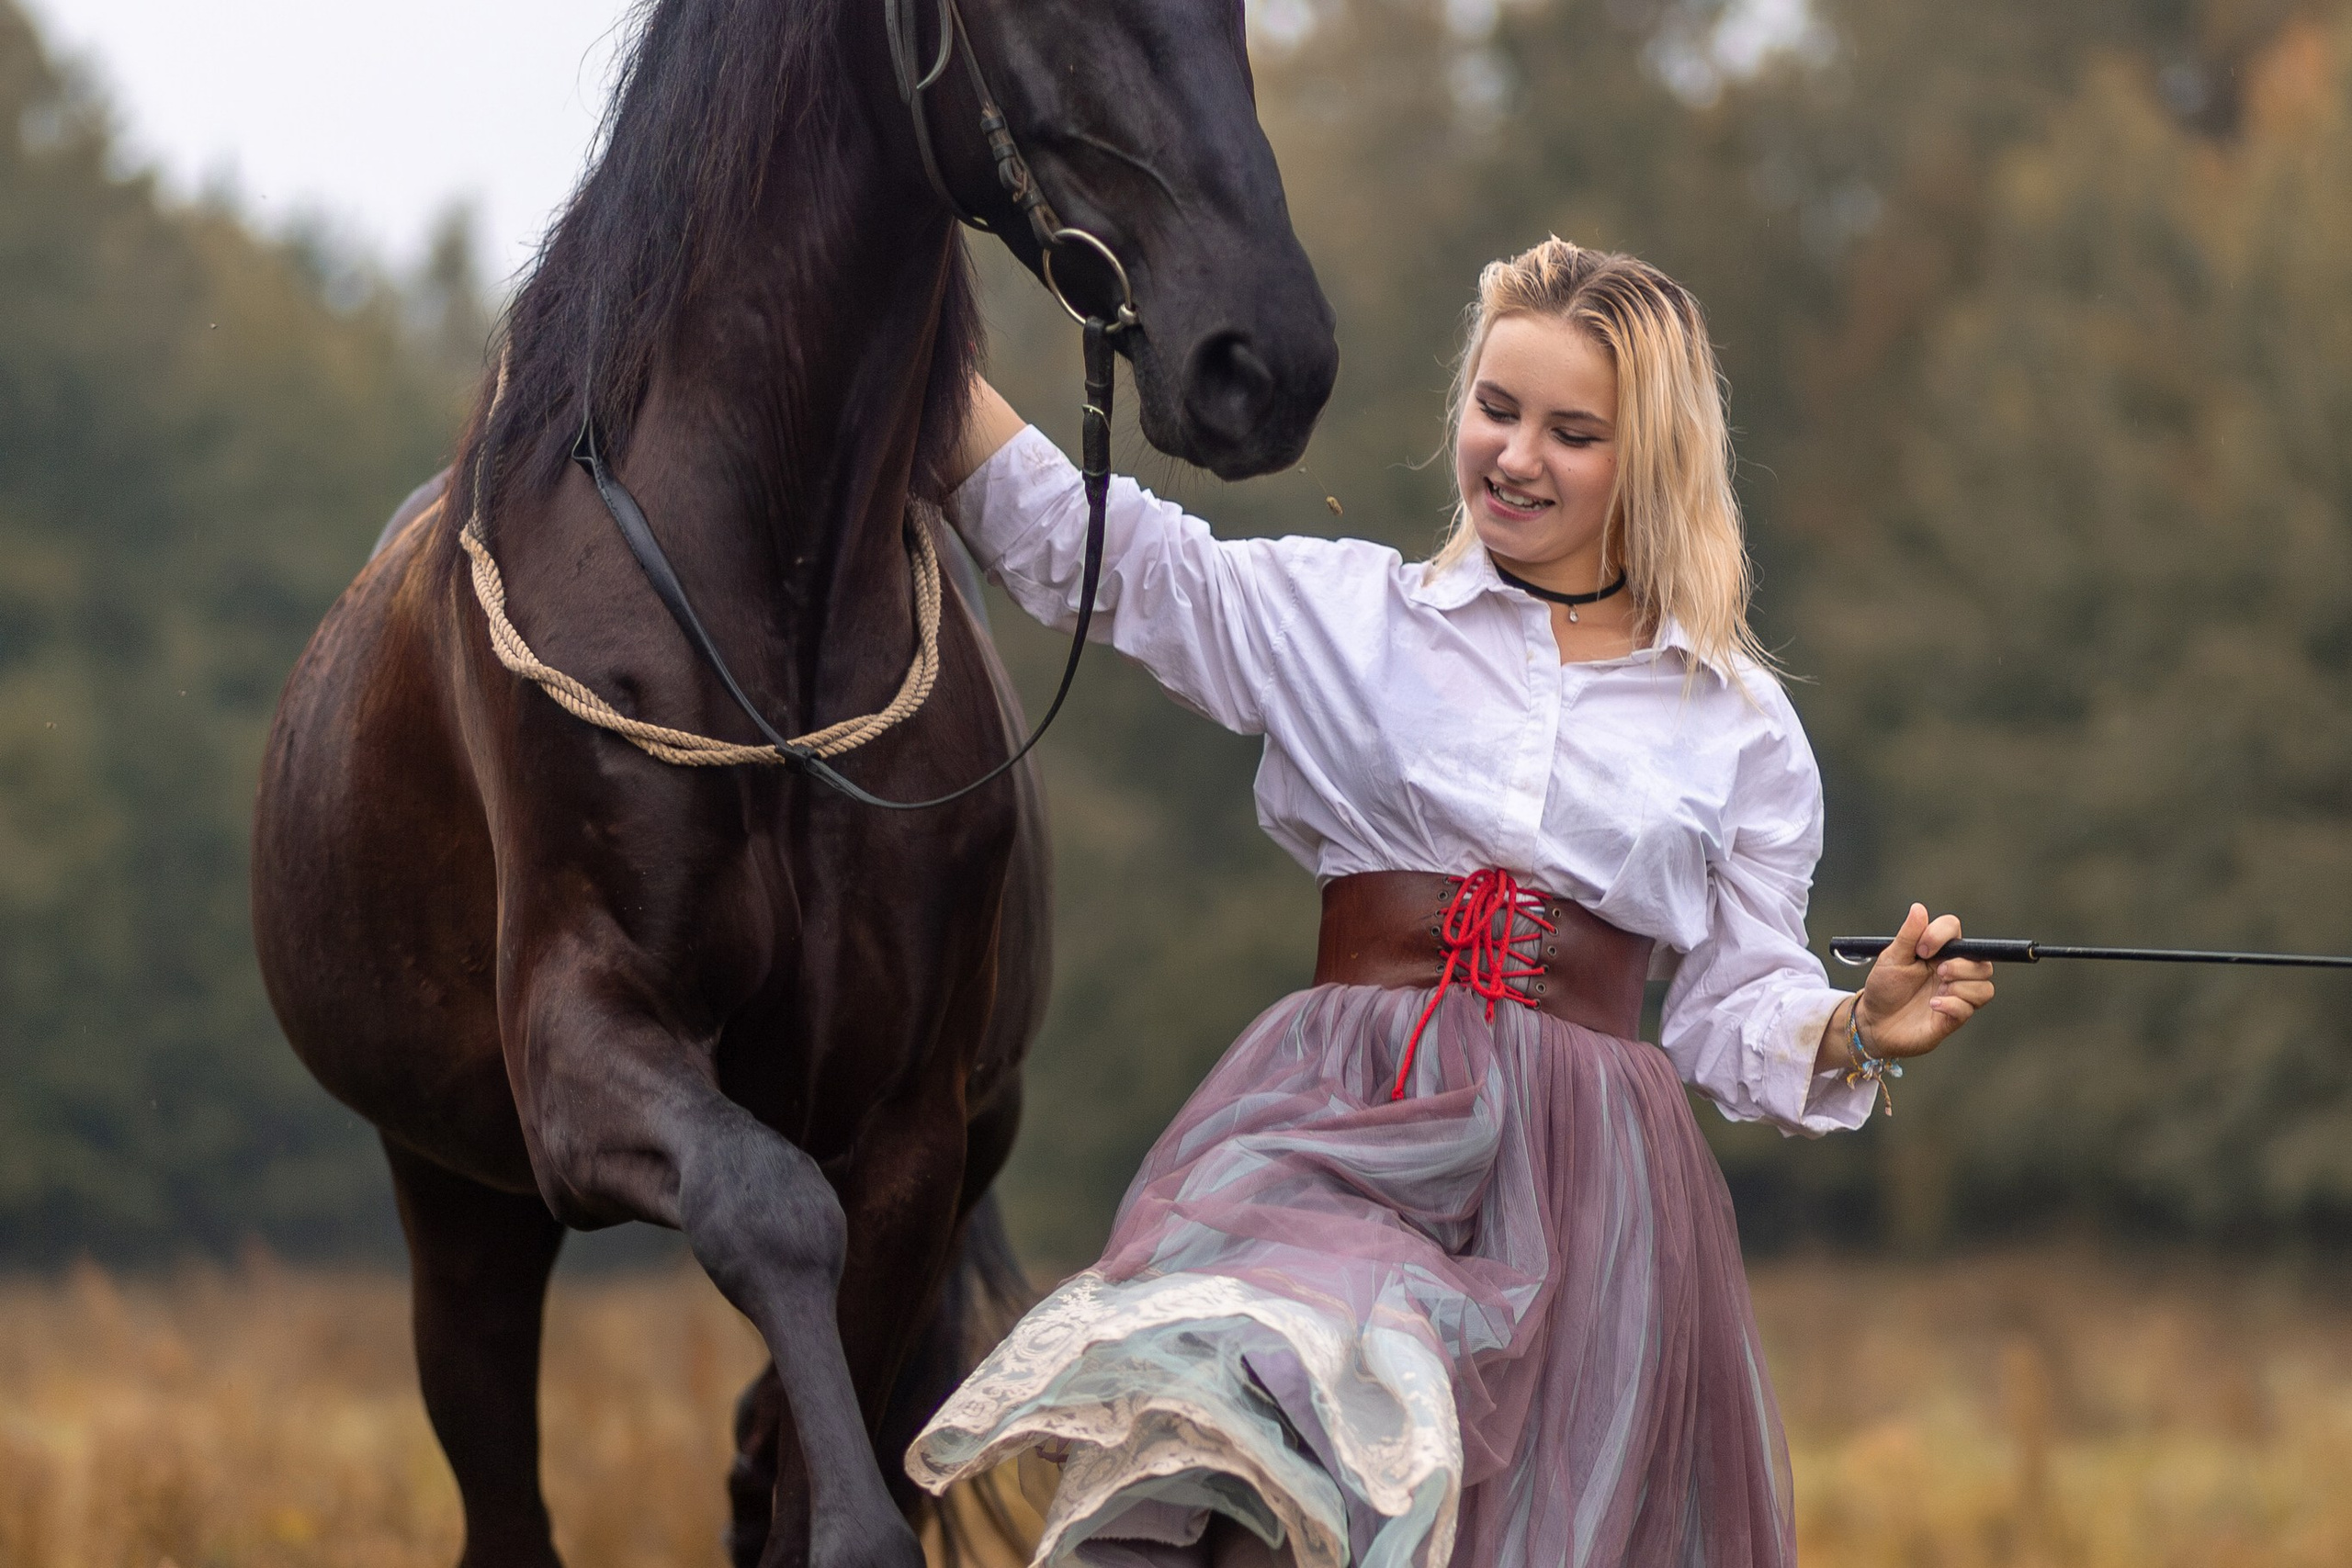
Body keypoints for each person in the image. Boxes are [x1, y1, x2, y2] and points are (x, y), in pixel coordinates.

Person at [907, 238, 1995, 1568]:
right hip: (1343, 1118)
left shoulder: (1740, 725)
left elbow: (1731, 1006)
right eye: (1496, 408)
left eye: (1573, 431)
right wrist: (901, 331)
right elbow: (1115, 559)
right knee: (1278, 1424)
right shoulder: (1355, 618)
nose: (1517, 456)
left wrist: (1853, 1026)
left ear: (1649, 457)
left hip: (1588, 1185)